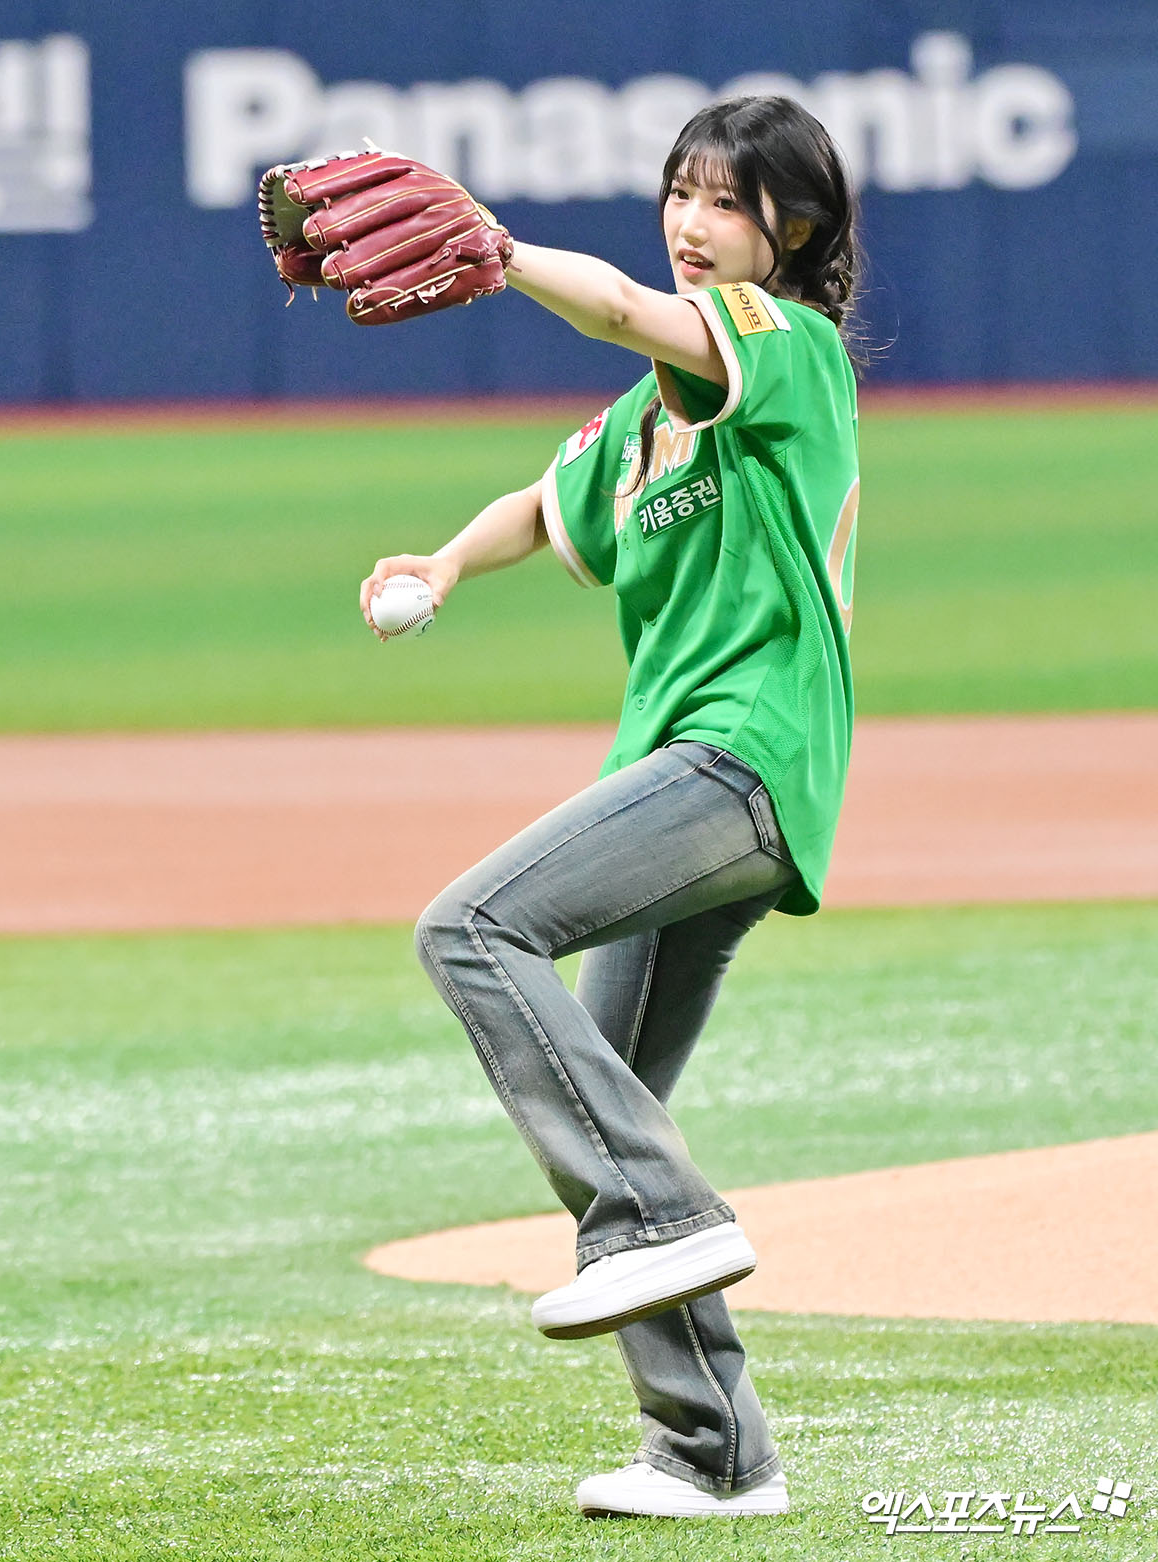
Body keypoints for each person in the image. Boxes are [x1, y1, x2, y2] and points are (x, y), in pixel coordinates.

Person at [360, 94, 861, 1520]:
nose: (693, 221)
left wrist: (504, 253)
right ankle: (715, 1453)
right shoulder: (648, 421)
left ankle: (657, 1213)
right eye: (680, 192)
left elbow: (631, 310)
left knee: (471, 929)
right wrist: (447, 563)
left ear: (791, 230)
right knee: (610, 1088)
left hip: (744, 759)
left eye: (728, 200)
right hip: (676, 773)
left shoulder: (787, 348)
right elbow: (546, 502)